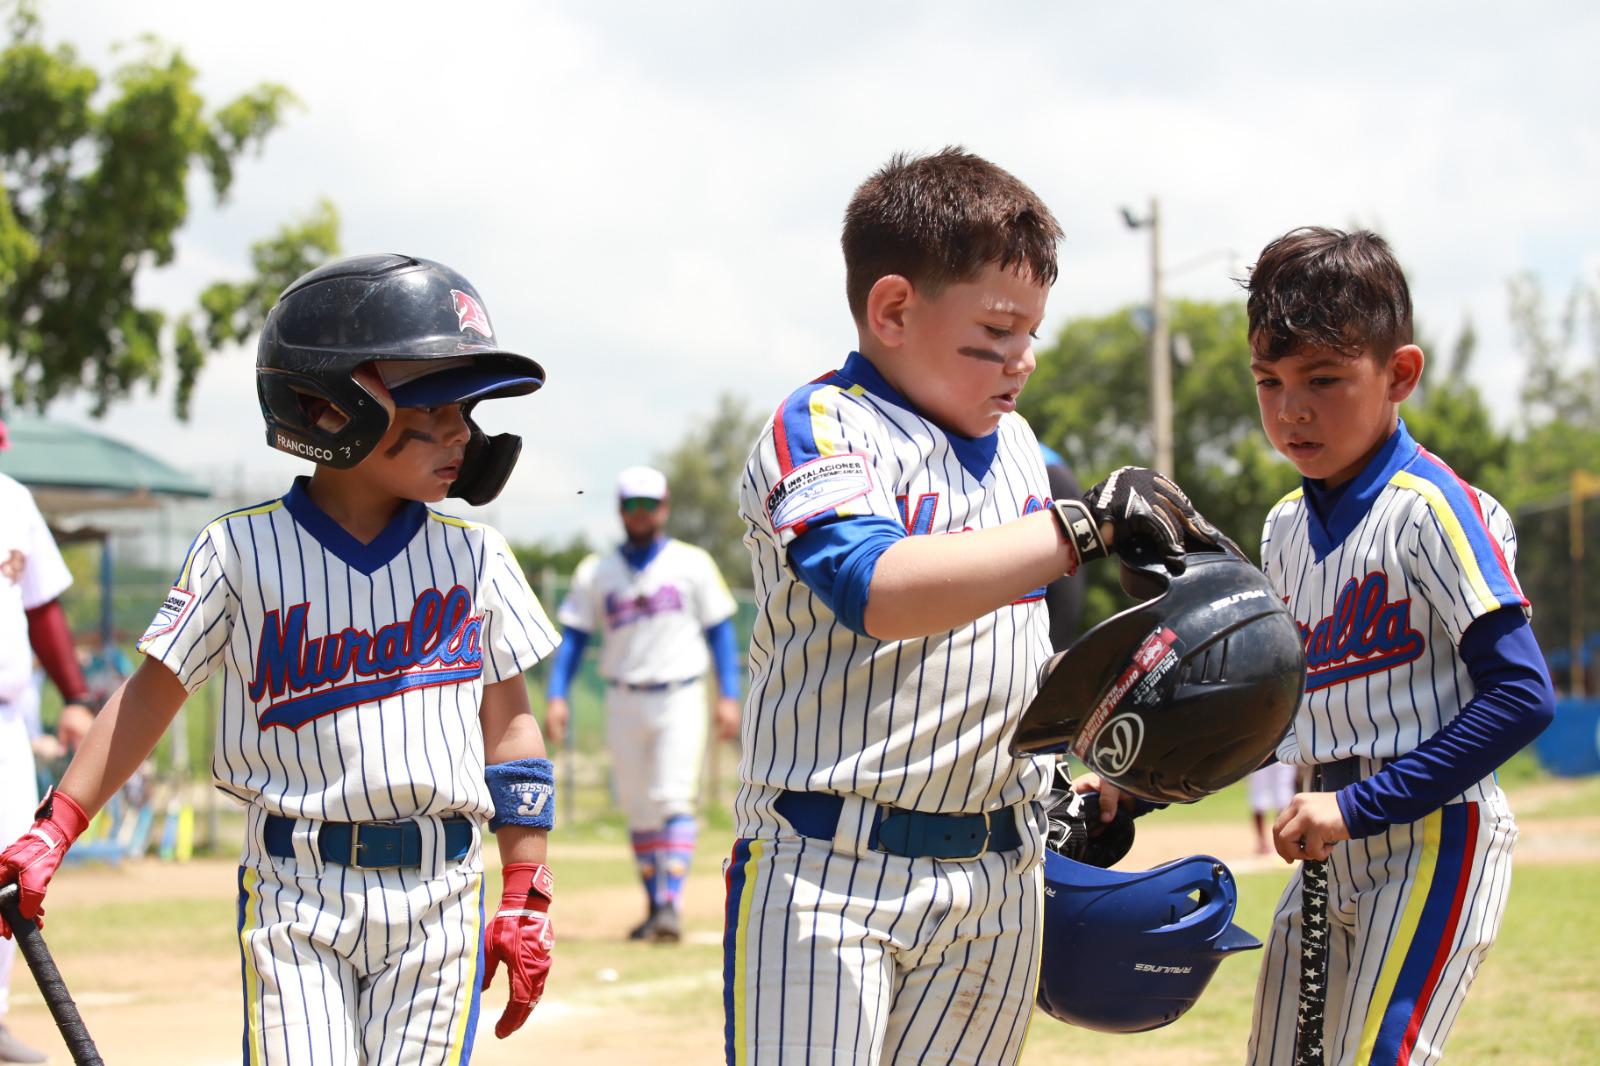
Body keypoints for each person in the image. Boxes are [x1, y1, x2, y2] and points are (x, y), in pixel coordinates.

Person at [723, 147, 1226, 1064]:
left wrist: (1081, 770)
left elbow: (1011, 652)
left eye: (1032, 331)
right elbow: (877, 590)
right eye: (996, 330)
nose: (1023, 359)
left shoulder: (1022, 446)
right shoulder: (823, 425)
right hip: (829, 868)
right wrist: (1085, 527)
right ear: (893, 310)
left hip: (998, 872)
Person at [0, 254, 564, 1063]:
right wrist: (56, 827)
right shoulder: (238, 551)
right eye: (434, 405)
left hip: (441, 894)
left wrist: (525, 887)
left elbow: (510, 734)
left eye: (465, 410)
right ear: (327, 405)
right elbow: (149, 698)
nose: (461, 433)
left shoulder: (477, 557)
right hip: (296, 892)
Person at [1242, 227, 1555, 1065]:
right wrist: (1134, 789)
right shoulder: (1283, 528)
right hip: (1326, 842)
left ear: (1401, 374)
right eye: (1269, 381)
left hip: (1432, 836)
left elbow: (1523, 695)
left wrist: (1355, 808)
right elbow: (1273, 712)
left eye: (1323, 379)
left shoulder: (1433, 508)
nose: (1291, 409)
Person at [543, 465, 742, 943]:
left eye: (648, 504)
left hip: (680, 694)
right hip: (623, 695)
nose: (640, 512)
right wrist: (556, 694)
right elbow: (574, 639)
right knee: (638, 807)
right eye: (632, 504)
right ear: (620, 510)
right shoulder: (597, 571)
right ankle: (655, 906)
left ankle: (671, 903)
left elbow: (721, 634)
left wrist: (729, 695)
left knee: (674, 797)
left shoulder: (692, 563)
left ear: (664, 507)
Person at [0, 463, 95, 1065]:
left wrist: (76, 697)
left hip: (6, 724)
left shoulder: (10, 498)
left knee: (7, 869)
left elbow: (40, 608)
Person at [1245, 761, 1299, 855]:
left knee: (1283, 798)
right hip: (1258, 755)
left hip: (1281, 755)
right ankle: (1263, 843)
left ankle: (1281, 840)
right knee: (1259, 796)